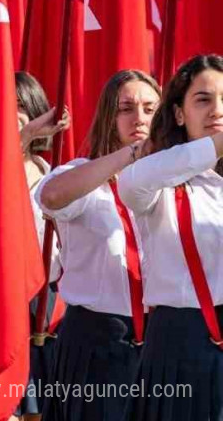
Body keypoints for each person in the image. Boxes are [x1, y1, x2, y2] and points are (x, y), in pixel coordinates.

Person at [36, 70, 161, 420]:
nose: (140, 118)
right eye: (127, 108)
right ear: (109, 116)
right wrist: (131, 154)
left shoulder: (169, 182)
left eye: (151, 109)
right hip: (96, 341)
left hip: (157, 341)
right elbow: (52, 196)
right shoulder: (82, 174)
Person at [0, 71, 69, 421]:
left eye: (23, 106)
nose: (16, 114)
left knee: (41, 411)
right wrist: (24, 135)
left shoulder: (54, 175)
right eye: (7, 107)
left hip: (46, 306)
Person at [120, 54, 223, 421]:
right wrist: (216, 146)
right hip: (181, 344)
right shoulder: (162, 181)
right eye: (203, 99)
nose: (217, 110)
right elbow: (131, 183)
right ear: (179, 114)